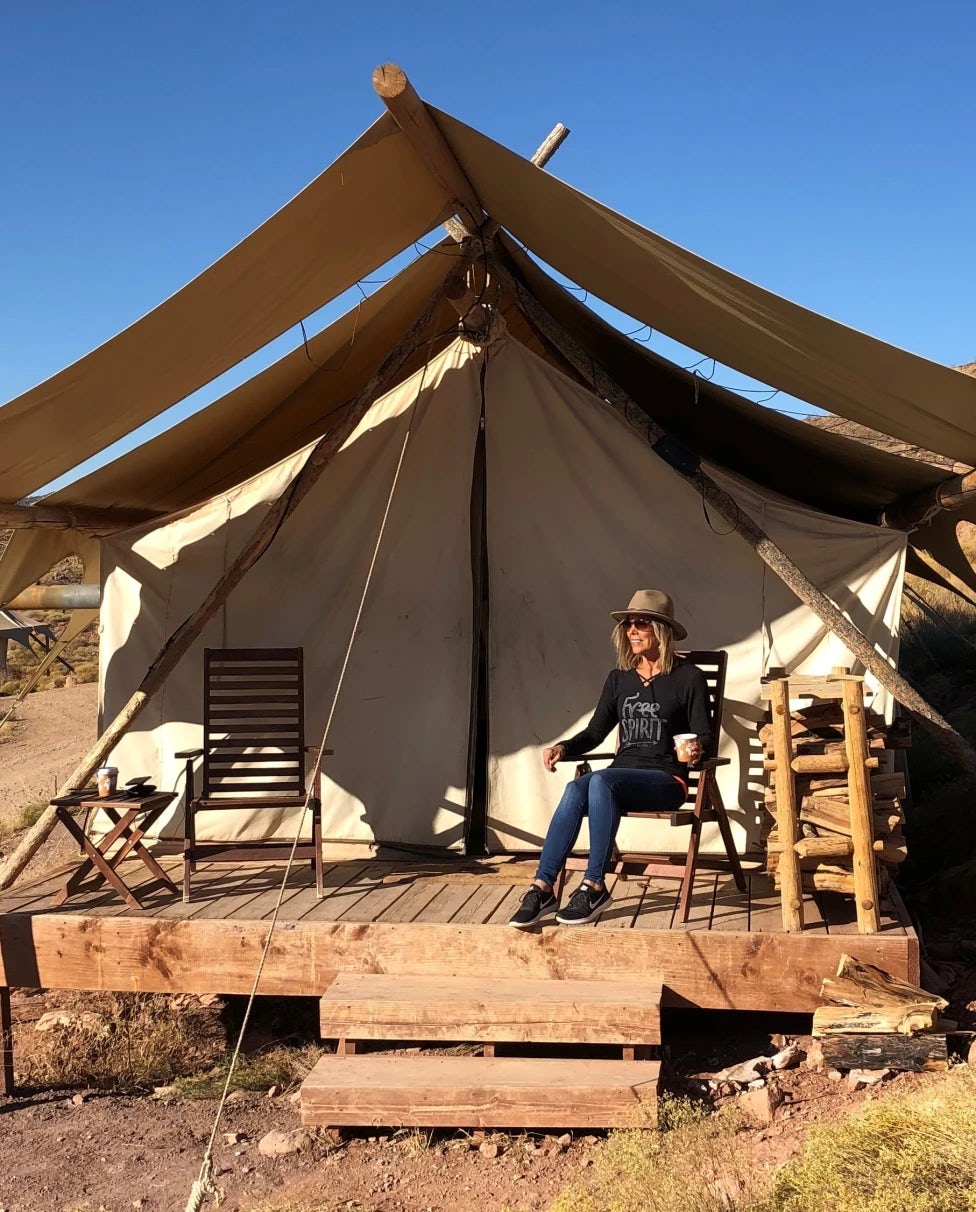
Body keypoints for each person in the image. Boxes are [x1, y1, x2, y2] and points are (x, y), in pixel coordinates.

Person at [509, 589, 712, 928]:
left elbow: (704, 734)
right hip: (621, 778)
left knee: (601, 780)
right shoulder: (619, 679)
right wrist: (564, 747)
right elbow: (595, 731)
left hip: (666, 780)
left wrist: (693, 748)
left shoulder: (688, 678)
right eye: (628, 624)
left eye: (641, 623)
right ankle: (542, 886)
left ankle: (594, 885)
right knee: (577, 789)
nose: (632, 630)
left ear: (661, 631)